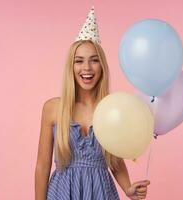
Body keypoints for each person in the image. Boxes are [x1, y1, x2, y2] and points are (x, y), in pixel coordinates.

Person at [35, 6, 150, 200]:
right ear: (71, 67)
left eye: (94, 60)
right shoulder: (53, 109)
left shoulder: (111, 108)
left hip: (101, 192)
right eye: (79, 61)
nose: (86, 68)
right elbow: (42, 165)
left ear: (102, 66)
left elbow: (114, 160)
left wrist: (128, 188)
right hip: (63, 193)